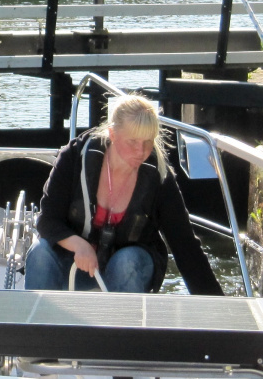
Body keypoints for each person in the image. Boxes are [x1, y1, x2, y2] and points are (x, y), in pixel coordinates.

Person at [23, 94, 223, 295]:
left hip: (131, 266)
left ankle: (123, 325)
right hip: (75, 261)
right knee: (39, 254)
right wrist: (80, 246)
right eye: (133, 141)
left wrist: (218, 309)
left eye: (148, 142)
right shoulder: (74, 157)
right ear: (112, 134)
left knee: (125, 262)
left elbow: (186, 246)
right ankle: (39, 325)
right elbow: (48, 220)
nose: (141, 151)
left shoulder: (159, 177)